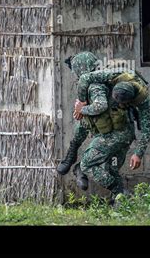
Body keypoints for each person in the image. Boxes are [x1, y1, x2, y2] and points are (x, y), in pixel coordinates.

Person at [57, 52, 136, 197]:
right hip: (126, 133)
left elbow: (100, 106)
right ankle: (120, 202)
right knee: (111, 169)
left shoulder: (94, 86)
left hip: (113, 135)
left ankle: (120, 192)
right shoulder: (108, 80)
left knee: (88, 165)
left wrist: (82, 109)